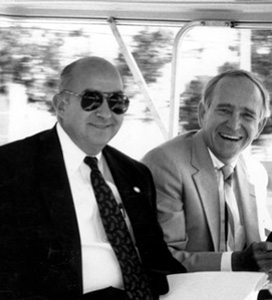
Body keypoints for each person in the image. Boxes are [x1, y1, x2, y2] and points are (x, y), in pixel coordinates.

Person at [0, 56, 186, 300]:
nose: (106, 113)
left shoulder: (136, 174)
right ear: (61, 104)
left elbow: (158, 260)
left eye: (116, 102)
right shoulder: (13, 167)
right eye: (92, 100)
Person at [141, 69, 272, 273]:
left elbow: (262, 254)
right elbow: (160, 258)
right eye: (224, 110)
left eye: (247, 115)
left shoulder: (256, 173)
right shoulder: (166, 164)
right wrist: (236, 262)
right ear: (203, 113)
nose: (234, 124)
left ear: (260, 126)